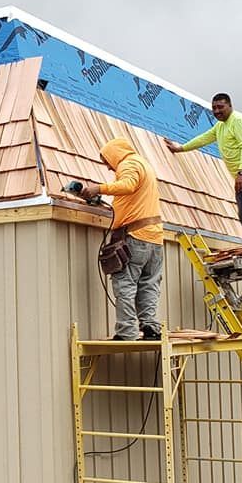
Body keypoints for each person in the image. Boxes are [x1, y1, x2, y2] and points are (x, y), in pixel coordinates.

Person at [77, 138, 165, 341]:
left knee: (125, 283)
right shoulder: (144, 164)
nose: (108, 167)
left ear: (114, 154)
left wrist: (98, 188)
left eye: (107, 161)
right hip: (155, 238)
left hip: (136, 237)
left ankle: (127, 332)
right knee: (149, 283)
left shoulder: (129, 164)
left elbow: (128, 185)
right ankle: (150, 327)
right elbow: (131, 197)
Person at [164, 93, 242, 244]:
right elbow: (203, 138)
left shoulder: (239, 120)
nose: (216, 111)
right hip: (241, 173)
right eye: (214, 108)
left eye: (220, 107)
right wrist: (181, 148)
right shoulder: (220, 126)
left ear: (230, 106)